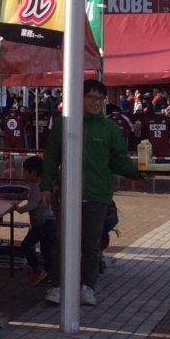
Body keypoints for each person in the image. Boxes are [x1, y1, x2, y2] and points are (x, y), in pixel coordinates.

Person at [41, 79, 142, 307]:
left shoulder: (110, 129)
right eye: (91, 97)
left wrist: (140, 172)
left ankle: (87, 287)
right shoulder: (63, 124)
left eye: (100, 98)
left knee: (91, 245)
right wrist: (46, 186)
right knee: (62, 243)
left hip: (98, 196)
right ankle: (57, 286)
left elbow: (119, 160)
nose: (97, 102)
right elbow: (51, 157)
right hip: (68, 195)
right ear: (80, 98)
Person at [14, 156, 55, 287]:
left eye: (25, 171)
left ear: (34, 172)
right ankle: (48, 274)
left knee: (26, 245)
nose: (23, 174)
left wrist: (20, 209)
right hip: (45, 222)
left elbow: (33, 203)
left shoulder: (39, 187)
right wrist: (6, 196)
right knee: (46, 248)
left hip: (44, 222)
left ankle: (38, 270)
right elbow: (24, 195)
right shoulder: (35, 185)